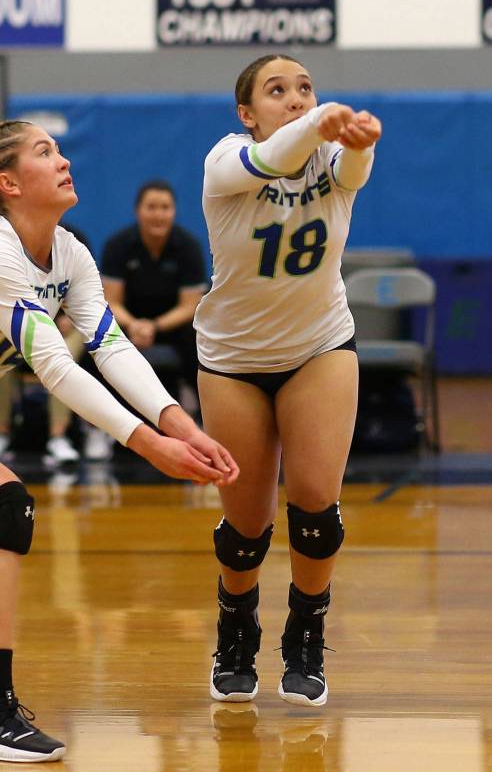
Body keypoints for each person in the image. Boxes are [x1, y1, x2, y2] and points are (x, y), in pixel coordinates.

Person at [0, 120, 238, 762]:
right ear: (9, 182)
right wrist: (148, 446)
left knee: (4, 509)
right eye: (45, 152)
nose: (65, 159)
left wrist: (180, 426)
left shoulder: (71, 252)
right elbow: (51, 365)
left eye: (61, 149)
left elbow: (109, 345)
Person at [194, 54, 381, 707]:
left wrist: (358, 141)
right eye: (278, 91)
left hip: (319, 347)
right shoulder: (225, 159)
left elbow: (354, 171)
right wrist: (320, 123)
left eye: (306, 88)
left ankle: (306, 630)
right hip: (234, 360)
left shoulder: (328, 159)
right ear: (247, 113)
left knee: (315, 509)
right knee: (245, 527)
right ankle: (235, 625)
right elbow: (269, 161)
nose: (297, 98)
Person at [100, 180, 206, 448]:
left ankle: (204, 424)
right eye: (151, 207)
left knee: (200, 342)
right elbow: (110, 300)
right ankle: (98, 429)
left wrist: (154, 327)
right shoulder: (118, 245)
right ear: (138, 211)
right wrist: (135, 325)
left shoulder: (188, 246)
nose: (158, 214)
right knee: (97, 341)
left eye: (165, 207)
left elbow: (190, 305)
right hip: (128, 323)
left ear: (174, 211)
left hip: (172, 326)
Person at [0, 223, 91, 465]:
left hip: (63, 328)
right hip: (17, 324)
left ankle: (58, 437)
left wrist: (66, 318)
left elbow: (86, 301)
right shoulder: (6, 240)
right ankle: (2, 432)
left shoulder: (74, 243)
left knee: (65, 352)